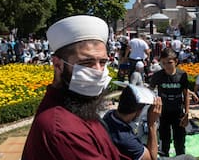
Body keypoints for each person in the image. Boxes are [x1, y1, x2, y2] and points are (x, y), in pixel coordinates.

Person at [21, 15, 130, 160]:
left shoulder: (78, 105)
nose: (98, 71)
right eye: (87, 63)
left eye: (103, 62)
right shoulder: (63, 129)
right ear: (58, 65)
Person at [103, 85, 195, 160]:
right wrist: (152, 123)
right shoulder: (125, 139)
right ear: (138, 110)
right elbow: (152, 158)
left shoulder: (109, 115)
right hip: (146, 155)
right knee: (188, 158)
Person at [149, 48, 190, 157]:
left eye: (169, 62)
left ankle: (181, 157)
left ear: (176, 61)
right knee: (164, 141)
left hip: (178, 113)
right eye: (163, 63)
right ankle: (164, 157)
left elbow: (186, 94)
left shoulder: (182, 75)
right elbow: (149, 91)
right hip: (164, 113)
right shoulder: (158, 76)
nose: (166, 65)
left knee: (180, 141)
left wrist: (187, 113)